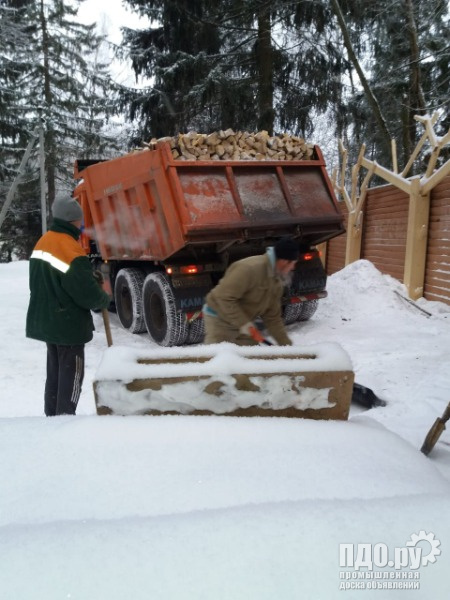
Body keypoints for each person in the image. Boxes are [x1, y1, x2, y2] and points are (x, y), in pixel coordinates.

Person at [26, 196, 111, 416]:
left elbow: (53, 278)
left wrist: (84, 276)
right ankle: (65, 421)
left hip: (49, 322)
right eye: (80, 220)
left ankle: (52, 418)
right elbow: (86, 295)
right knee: (71, 377)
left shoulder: (45, 240)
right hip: (67, 326)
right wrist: (103, 298)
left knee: (55, 375)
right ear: (73, 221)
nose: (82, 224)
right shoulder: (71, 250)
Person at [203, 237, 299, 346]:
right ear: (284, 261)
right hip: (220, 320)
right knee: (222, 359)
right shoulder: (249, 269)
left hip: (244, 322)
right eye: (293, 263)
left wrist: (287, 347)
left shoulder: (276, 282)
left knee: (252, 358)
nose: (293, 267)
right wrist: (244, 324)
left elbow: (272, 318)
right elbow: (224, 297)